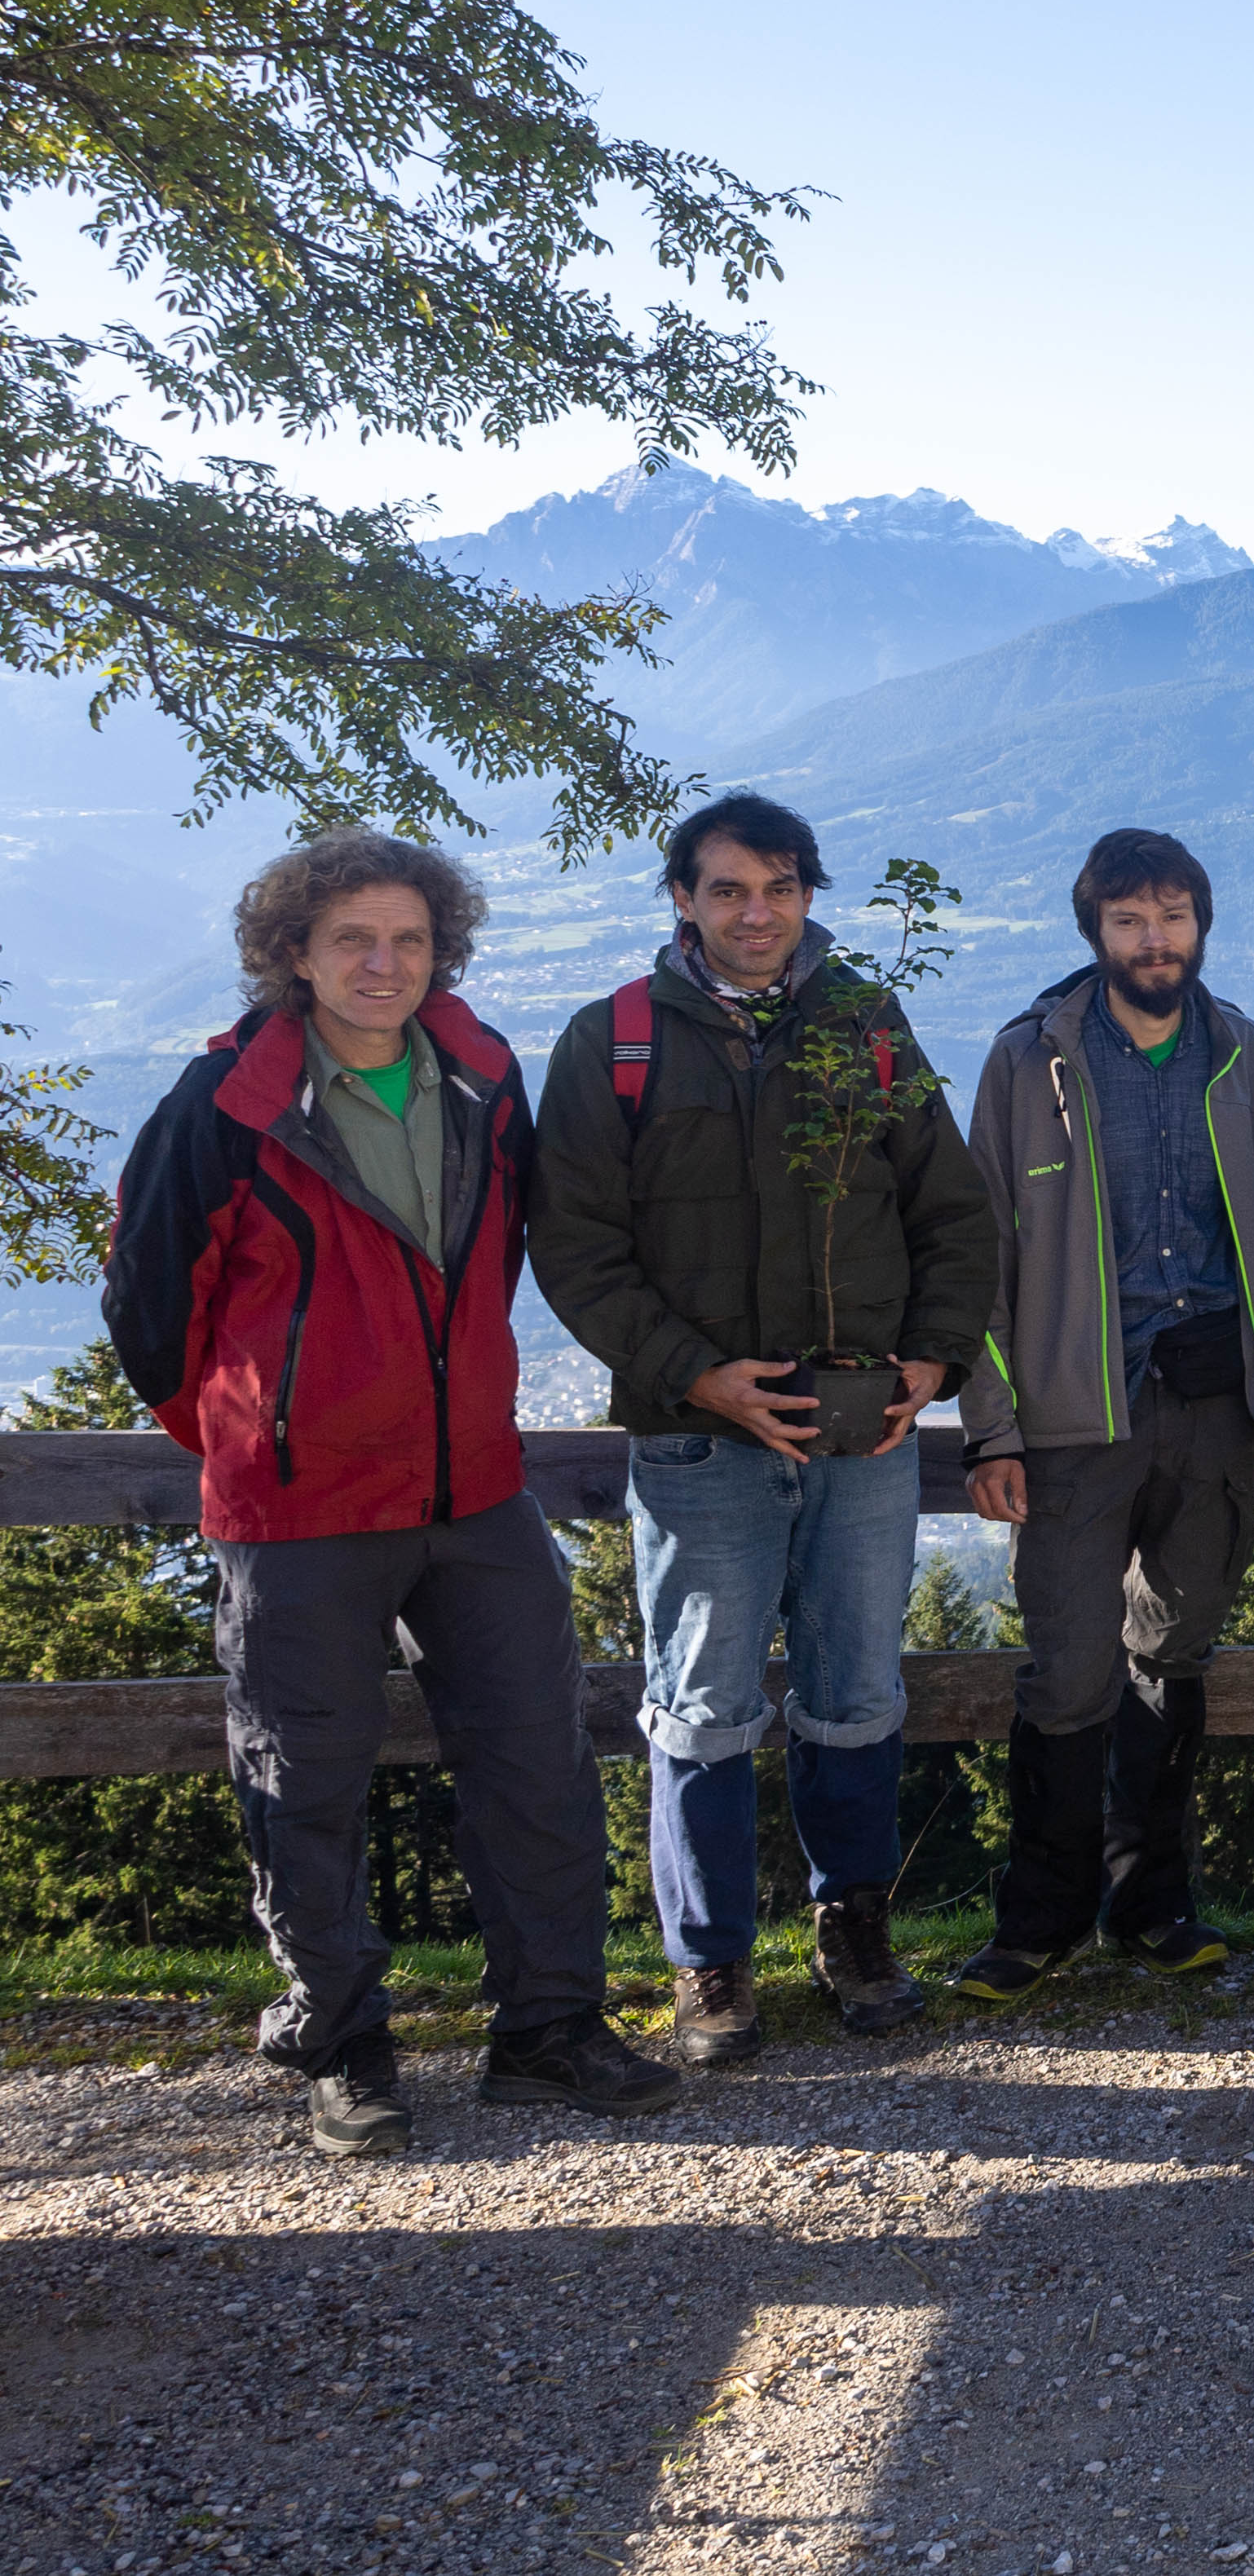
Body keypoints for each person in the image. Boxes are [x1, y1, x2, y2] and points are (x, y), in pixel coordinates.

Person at [105, 832, 688, 2153]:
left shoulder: (482, 1073)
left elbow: (504, 1260)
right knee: (302, 1780)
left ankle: (547, 2026)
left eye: (408, 940)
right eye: (352, 940)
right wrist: (261, 1432)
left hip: (474, 1489)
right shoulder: (224, 1105)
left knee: (538, 1757)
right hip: (300, 1510)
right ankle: (342, 2038)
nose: (383, 963)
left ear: (441, 952)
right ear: (293, 955)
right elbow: (151, 1307)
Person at [533, 792, 999, 2066]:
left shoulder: (866, 1027)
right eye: (729, 888)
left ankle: (854, 1931)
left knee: (857, 1692)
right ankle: (711, 1963)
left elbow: (953, 1214)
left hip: (865, 1431)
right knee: (702, 1706)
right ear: (682, 896)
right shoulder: (613, 1042)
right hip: (698, 1437)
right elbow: (575, 1247)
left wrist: (932, 1359)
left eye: (780, 887)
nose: (757, 912)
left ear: (808, 896)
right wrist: (701, 1375)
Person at [947, 831, 1254, 2004]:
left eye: (1172, 916)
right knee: (1066, 1668)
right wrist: (990, 1424)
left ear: (1202, 921)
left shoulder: (1241, 1051)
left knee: (1177, 1651)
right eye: (1129, 921)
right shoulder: (1030, 1061)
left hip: (1210, 1399)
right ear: (1093, 931)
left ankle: (1151, 1905)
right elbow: (980, 1257)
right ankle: (1038, 1922)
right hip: (1071, 1410)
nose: (1153, 940)